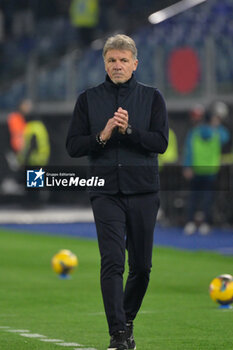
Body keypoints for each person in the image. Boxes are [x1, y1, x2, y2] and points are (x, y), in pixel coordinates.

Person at [66, 34, 168, 350]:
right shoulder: (88, 99)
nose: (118, 65)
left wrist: (130, 131)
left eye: (124, 60)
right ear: (105, 63)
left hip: (143, 192)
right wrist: (103, 135)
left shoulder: (153, 98)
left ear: (135, 63)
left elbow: (160, 143)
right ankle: (119, 335)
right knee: (112, 262)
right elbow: (73, 146)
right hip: (105, 192)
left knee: (142, 268)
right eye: (112, 60)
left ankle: (126, 318)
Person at [183, 102, 230, 235]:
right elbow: (226, 137)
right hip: (209, 170)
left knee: (196, 198)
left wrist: (187, 167)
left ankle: (192, 223)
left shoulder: (195, 131)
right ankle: (204, 224)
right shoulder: (216, 132)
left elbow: (188, 151)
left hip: (198, 169)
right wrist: (217, 124)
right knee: (205, 198)